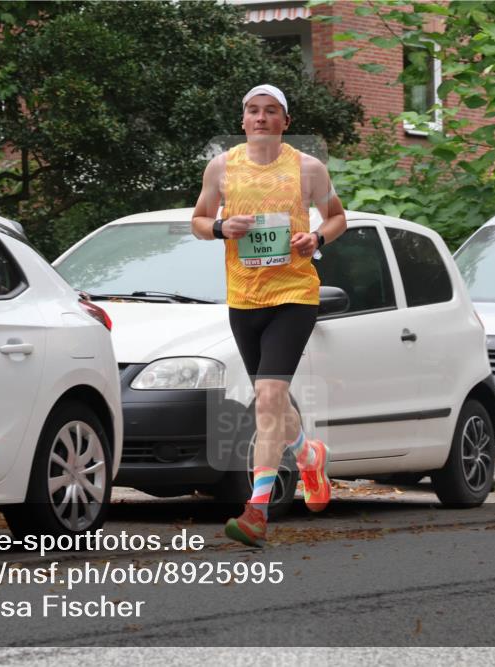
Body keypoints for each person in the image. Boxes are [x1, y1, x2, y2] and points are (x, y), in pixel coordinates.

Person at [191, 84, 347, 546]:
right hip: (243, 299)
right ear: (243, 121)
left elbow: (337, 217)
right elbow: (198, 222)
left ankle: (255, 511)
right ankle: (309, 456)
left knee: (267, 397)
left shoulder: (308, 168)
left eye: (271, 111)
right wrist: (222, 227)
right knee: (272, 402)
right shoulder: (221, 167)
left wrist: (316, 238)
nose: (261, 118)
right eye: (253, 111)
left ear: (285, 121)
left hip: (294, 295)